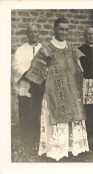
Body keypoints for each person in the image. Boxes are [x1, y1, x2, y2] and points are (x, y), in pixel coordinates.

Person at [25, 17, 89, 161]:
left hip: (71, 91)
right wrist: (44, 74)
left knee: (73, 118)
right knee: (55, 117)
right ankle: (55, 150)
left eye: (66, 29)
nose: (64, 32)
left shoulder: (72, 48)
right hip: (53, 91)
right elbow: (36, 69)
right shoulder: (46, 48)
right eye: (61, 29)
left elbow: (80, 69)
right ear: (54, 29)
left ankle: (72, 149)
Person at [11, 24, 42, 152]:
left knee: (38, 115)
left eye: (35, 32)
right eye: (30, 32)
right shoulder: (21, 49)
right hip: (25, 86)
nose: (33, 34)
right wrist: (28, 74)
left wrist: (39, 78)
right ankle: (26, 142)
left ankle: (38, 142)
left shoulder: (43, 49)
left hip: (40, 88)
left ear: (39, 33)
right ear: (27, 34)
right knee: (25, 115)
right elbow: (15, 66)